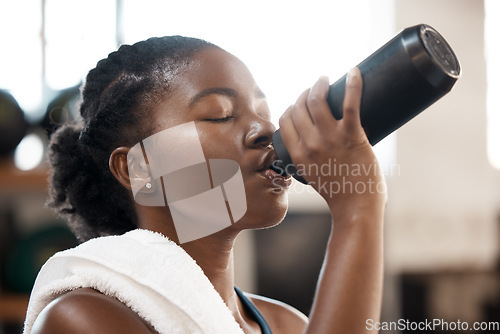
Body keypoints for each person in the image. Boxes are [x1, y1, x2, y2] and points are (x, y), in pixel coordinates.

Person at [24, 36, 386, 334]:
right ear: (140, 168)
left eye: (263, 110)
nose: (265, 130)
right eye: (220, 114)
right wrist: (358, 208)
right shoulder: (81, 319)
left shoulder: (288, 325)